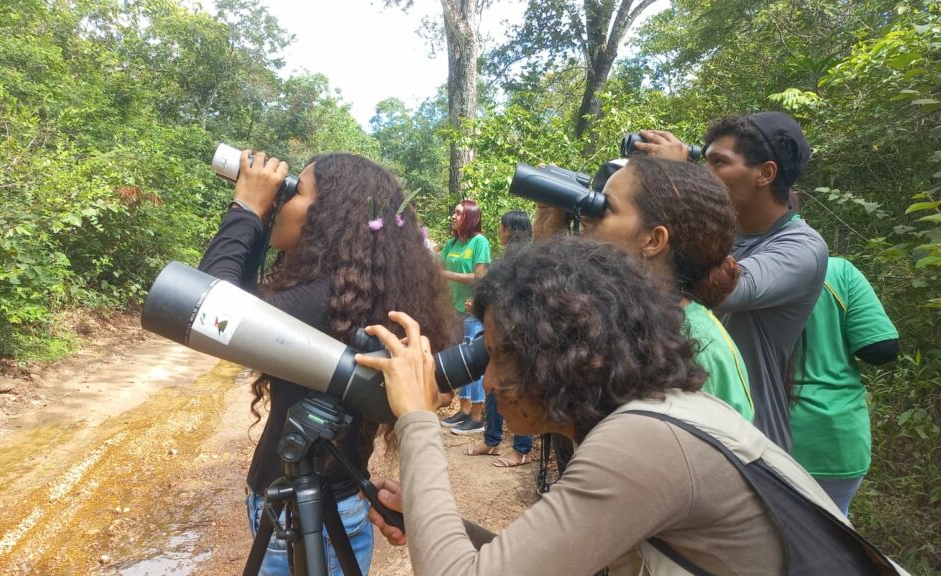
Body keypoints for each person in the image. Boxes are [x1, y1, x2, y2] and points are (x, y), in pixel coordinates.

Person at [356, 238, 907, 576]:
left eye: (502, 357)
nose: (491, 382)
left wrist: (417, 417)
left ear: (565, 359)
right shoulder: (651, 415)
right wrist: (441, 524)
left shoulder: (646, 443)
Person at [197, 149, 457, 575]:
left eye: (294, 193)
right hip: (342, 504)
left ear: (327, 218)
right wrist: (261, 220)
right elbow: (240, 315)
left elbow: (208, 311)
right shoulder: (356, 295)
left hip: (297, 517)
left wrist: (246, 208)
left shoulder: (316, 300)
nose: (281, 201)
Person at [633, 112, 829, 451]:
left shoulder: (803, 247)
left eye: (718, 163)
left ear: (765, 173)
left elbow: (722, 290)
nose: (705, 175)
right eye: (702, 161)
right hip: (681, 417)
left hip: (746, 438)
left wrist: (677, 181)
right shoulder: (721, 234)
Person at [535, 157, 754, 420]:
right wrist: (545, 241)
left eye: (605, 208)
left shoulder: (695, 346)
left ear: (653, 240)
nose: (586, 219)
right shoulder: (628, 320)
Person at [790, 257, 899, 516]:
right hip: (837, 438)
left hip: (759, 432)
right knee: (833, 536)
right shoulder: (837, 271)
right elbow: (881, 349)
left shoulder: (734, 274)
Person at [465, 210, 535, 466]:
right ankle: (492, 441)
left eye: (502, 227)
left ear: (510, 230)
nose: (499, 230)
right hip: (503, 333)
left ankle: (522, 449)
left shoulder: (528, 259)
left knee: (516, 390)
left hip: (519, 335)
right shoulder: (508, 257)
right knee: (493, 387)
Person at [438, 199, 491, 434]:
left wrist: (447, 274)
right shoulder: (451, 243)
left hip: (471, 311)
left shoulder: (479, 242)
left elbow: (479, 277)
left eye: (458, 213)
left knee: (473, 362)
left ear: (469, 217)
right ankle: (465, 410)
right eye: (453, 213)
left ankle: (478, 417)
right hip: (454, 310)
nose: (453, 216)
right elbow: (434, 266)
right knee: (460, 361)